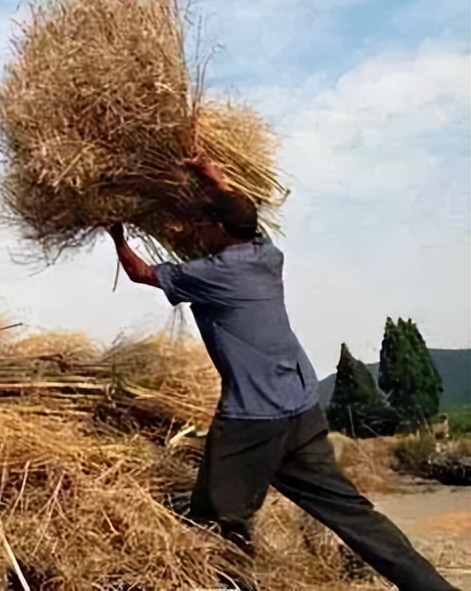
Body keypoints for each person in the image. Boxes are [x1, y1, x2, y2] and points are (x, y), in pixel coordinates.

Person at [105, 159, 458, 591]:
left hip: (252, 419)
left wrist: (117, 234)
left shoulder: (213, 274)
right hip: (301, 407)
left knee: (214, 520)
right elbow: (242, 210)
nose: (197, 232)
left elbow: (141, 273)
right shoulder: (266, 254)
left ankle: (233, 582)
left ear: (219, 227)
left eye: (202, 224)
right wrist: (211, 175)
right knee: (353, 515)